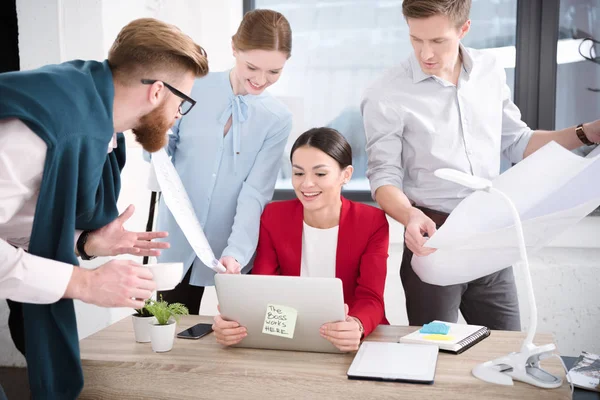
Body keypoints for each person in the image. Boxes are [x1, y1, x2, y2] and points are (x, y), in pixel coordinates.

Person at [0, 18, 208, 399]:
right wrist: (85, 283)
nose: (179, 115)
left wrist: (85, 243)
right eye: (183, 102)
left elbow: (14, 219)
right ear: (158, 92)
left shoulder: (97, 122)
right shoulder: (44, 131)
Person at [361, 0, 600, 331]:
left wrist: (586, 133)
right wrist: (409, 215)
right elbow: (383, 176)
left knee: (508, 349)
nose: (425, 53)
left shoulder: (490, 70)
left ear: (464, 29)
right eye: (416, 39)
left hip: (493, 231)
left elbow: (519, 143)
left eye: (438, 41)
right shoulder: (386, 92)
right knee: (436, 355)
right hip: (434, 236)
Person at [150, 9, 293, 314]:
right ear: (233, 48)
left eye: (274, 72)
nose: (261, 80)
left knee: (237, 338)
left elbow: (256, 191)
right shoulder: (192, 86)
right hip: (177, 236)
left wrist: (238, 252)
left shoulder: (277, 119)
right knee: (170, 334)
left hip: (229, 243)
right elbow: (161, 151)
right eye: (252, 66)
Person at [213, 127, 389, 352]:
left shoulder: (372, 221)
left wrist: (357, 324)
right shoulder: (274, 216)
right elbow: (263, 289)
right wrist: (233, 323)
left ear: (346, 175)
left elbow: (371, 297)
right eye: (298, 173)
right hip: (289, 337)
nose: (306, 184)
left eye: (320, 174)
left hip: (350, 338)